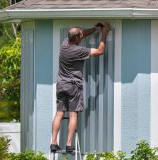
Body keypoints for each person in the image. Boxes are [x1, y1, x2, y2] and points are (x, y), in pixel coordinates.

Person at [50, 22, 110, 153]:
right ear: (77, 38)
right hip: (73, 86)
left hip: (61, 85)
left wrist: (94, 29)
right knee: (73, 115)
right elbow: (100, 51)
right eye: (80, 34)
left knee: (59, 114)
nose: (82, 35)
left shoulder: (64, 44)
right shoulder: (79, 51)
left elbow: (80, 35)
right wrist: (104, 32)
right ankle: (69, 144)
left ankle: (53, 143)